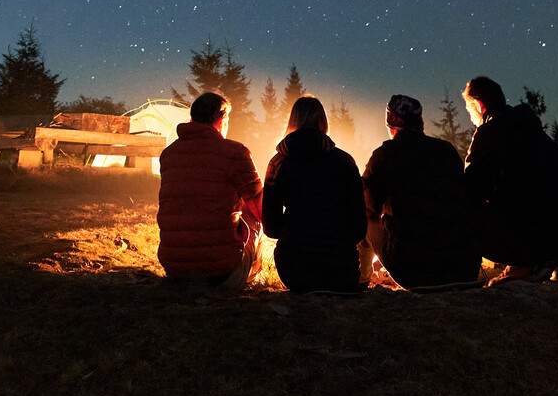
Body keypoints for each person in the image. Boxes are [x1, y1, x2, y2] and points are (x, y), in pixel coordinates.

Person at [462, 75, 558, 280]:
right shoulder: (533, 131)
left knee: (462, 214)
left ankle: (527, 263)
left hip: (528, 237)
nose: (470, 116)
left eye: (469, 108)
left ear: (478, 104)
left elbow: (471, 190)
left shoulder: (489, 133)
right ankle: (541, 260)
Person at [362, 93, 481, 289]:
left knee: (366, 214)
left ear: (391, 123)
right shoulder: (446, 151)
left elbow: (369, 206)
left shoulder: (385, 155)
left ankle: (362, 275)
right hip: (463, 267)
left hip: (415, 271)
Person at [157, 91, 263, 288]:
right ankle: (249, 274)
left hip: (174, 269)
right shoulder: (234, 152)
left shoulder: (169, 154)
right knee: (252, 211)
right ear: (221, 119)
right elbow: (261, 208)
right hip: (220, 273)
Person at [261, 96, 367, 293]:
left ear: (292, 122)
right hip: (342, 272)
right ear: (323, 122)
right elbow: (359, 227)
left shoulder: (278, 163)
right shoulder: (345, 161)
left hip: (296, 272)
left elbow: (271, 228)